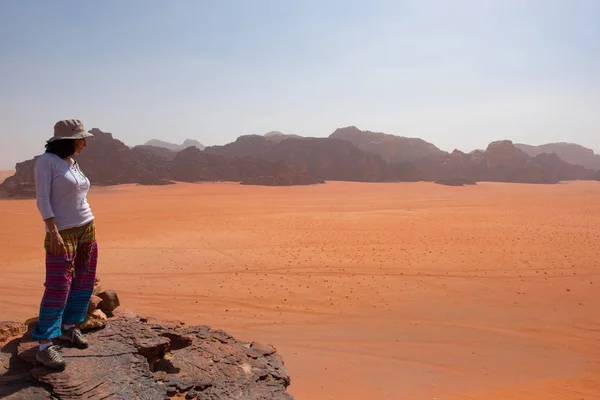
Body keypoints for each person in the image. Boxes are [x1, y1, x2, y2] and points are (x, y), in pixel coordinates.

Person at [32, 119, 98, 370]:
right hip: (63, 232)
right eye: (82, 139)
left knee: (83, 279)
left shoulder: (72, 163)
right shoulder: (46, 162)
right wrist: (53, 231)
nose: (84, 144)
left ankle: (69, 328)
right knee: (59, 285)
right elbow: (43, 199)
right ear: (69, 140)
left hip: (86, 229)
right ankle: (45, 345)